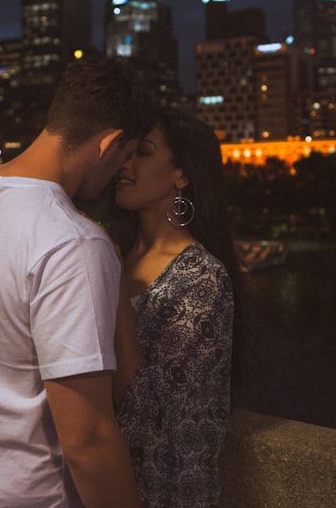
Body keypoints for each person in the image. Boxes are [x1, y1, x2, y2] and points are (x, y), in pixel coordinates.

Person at [0, 56, 149, 508]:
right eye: (126, 155)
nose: (122, 170)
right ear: (109, 143)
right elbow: (89, 441)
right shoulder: (72, 242)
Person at [109, 108, 241, 508]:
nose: (124, 164)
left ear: (181, 174)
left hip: (163, 495)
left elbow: (147, 417)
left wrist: (112, 289)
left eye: (142, 153)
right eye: (124, 152)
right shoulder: (118, 253)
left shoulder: (202, 279)